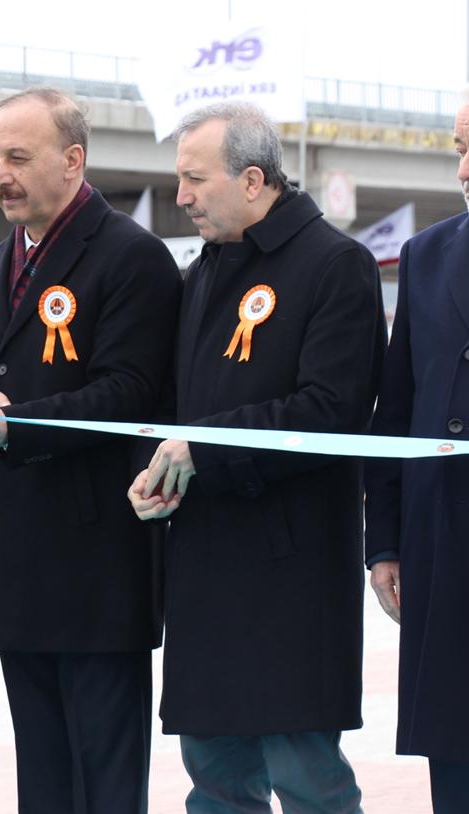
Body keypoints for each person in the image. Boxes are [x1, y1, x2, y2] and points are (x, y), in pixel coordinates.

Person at [127, 101, 384, 813]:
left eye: (194, 178)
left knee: (307, 780)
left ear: (251, 180)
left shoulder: (337, 265)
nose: (181, 196)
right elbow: (178, 406)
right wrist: (156, 471)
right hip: (205, 566)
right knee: (214, 781)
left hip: (291, 575)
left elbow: (330, 410)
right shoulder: (203, 271)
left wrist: (202, 450)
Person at [0, 87, 181, 814]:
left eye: (18, 157)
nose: (0, 175)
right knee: (41, 773)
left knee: (105, 774)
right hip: (18, 554)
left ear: (73, 160)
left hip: (96, 560)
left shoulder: (132, 257)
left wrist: (13, 427)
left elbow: (128, 392)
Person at [364, 92, 469, 813]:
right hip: (445, 550)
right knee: (455, 763)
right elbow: (395, 411)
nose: (464, 169)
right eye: (461, 149)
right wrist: (386, 545)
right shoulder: (427, 256)